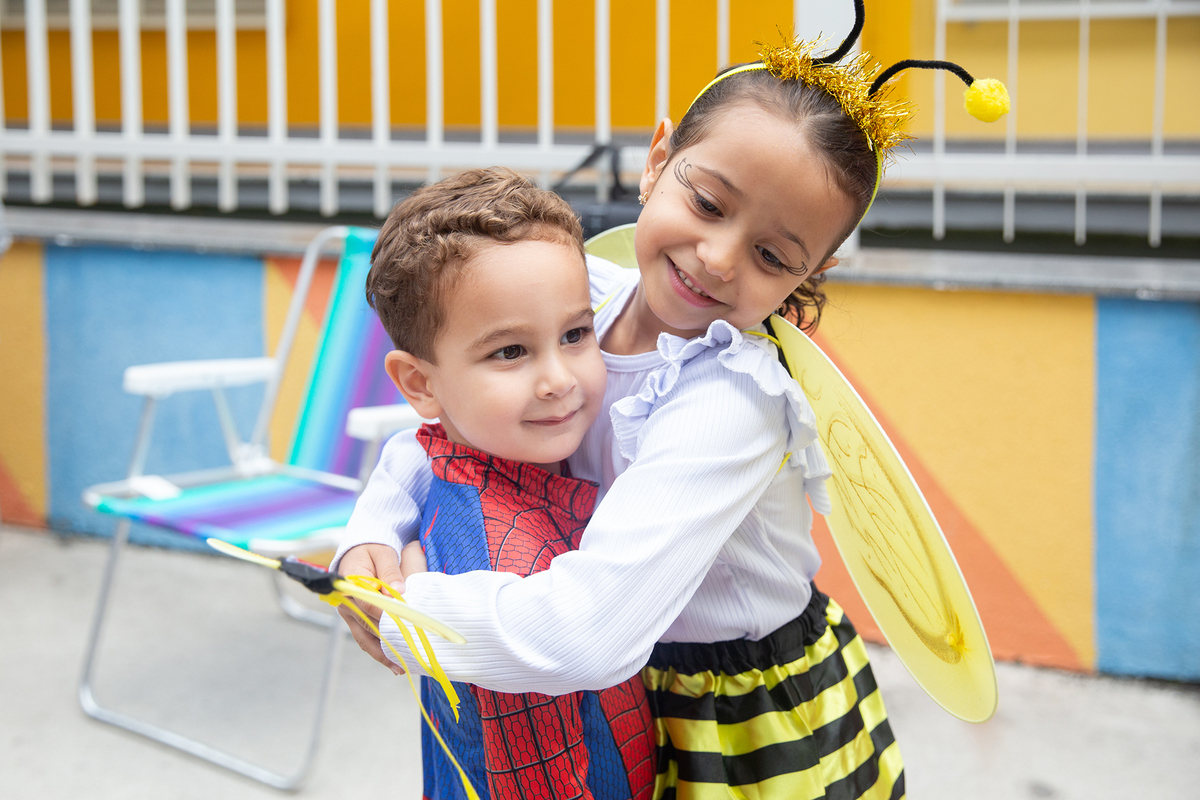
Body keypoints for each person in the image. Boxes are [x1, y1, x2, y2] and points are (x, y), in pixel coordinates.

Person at [338, 10, 1007, 797]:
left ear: (809, 272)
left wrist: (410, 611)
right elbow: (441, 431)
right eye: (710, 205)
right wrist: (371, 538)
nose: (717, 259)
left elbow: (592, 631)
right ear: (659, 160)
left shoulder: (731, 401)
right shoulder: (582, 294)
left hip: (733, 719)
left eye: (771, 255)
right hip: (609, 674)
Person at [364, 166, 656, 800]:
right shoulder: (497, 563)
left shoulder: (516, 458)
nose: (558, 378)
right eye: (510, 352)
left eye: (576, 335)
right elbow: (535, 776)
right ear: (420, 384)